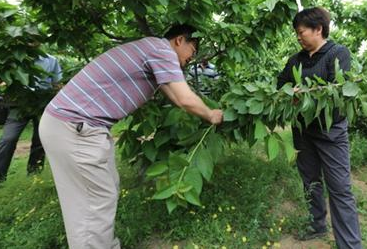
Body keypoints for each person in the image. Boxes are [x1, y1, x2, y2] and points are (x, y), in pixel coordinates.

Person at [39, 24, 223, 249]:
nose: (190, 60)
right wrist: (212, 114)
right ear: (179, 40)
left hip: (75, 126)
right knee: (95, 202)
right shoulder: (162, 50)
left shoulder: (153, 53)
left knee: (103, 193)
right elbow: (185, 99)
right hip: (75, 128)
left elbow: (176, 98)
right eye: (192, 52)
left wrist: (202, 111)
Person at [277, 7, 362, 249]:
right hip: (303, 133)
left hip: (330, 133)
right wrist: (288, 93)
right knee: (311, 182)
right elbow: (281, 84)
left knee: (340, 189)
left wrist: (306, 93)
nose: (298, 37)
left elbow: (338, 91)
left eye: (301, 32)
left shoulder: (338, 53)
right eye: (297, 33)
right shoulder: (295, 60)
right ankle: (317, 224)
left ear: (318, 29)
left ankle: (350, 245)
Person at [0, 54, 62, 182]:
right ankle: (0, 176)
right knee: (8, 138)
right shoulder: (13, 57)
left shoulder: (51, 60)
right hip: (18, 105)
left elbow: (56, 83)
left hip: (42, 105)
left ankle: (34, 174)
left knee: (40, 139)